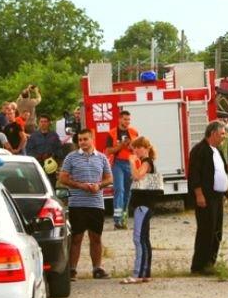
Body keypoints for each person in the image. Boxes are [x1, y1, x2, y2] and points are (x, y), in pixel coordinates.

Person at [188, 121, 228, 275]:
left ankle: (210, 262)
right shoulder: (199, 150)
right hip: (205, 196)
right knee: (205, 230)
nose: (224, 137)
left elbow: (221, 169)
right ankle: (199, 265)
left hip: (217, 196)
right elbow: (194, 175)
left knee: (216, 231)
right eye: (222, 133)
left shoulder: (218, 150)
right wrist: (199, 194)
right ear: (213, 133)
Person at [59, 129, 113, 281]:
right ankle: (72, 270)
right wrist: (80, 185)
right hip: (77, 203)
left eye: (85, 139)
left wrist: (99, 185)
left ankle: (97, 268)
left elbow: (109, 178)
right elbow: (63, 178)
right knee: (76, 237)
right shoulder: (71, 157)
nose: (82, 142)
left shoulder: (101, 158)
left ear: (92, 139)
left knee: (96, 237)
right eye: (80, 140)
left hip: (96, 203)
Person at [122, 137, 159, 284]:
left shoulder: (146, 162)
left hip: (143, 205)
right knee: (144, 239)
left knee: (138, 238)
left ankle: (137, 274)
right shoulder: (147, 162)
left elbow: (137, 176)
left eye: (139, 147)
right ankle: (145, 273)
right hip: (145, 205)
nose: (136, 150)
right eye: (135, 148)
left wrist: (131, 162)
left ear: (147, 148)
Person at [105, 110, 139, 229]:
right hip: (117, 163)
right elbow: (108, 151)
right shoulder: (112, 133)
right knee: (119, 190)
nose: (127, 122)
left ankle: (124, 218)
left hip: (130, 163)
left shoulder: (134, 132)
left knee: (128, 192)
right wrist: (121, 146)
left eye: (129, 119)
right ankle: (117, 220)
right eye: (125, 119)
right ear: (119, 119)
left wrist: (130, 147)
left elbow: (138, 150)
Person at [26, 114, 62, 188]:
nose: (43, 123)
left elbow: (59, 149)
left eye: (45, 121)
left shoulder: (54, 135)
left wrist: (53, 156)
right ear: (38, 123)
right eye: (41, 121)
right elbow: (29, 150)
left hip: (51, 165)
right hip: (38, 164)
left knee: (51, 185)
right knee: (39, 185)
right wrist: (39, 156)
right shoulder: (33, 136)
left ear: (49, 123)